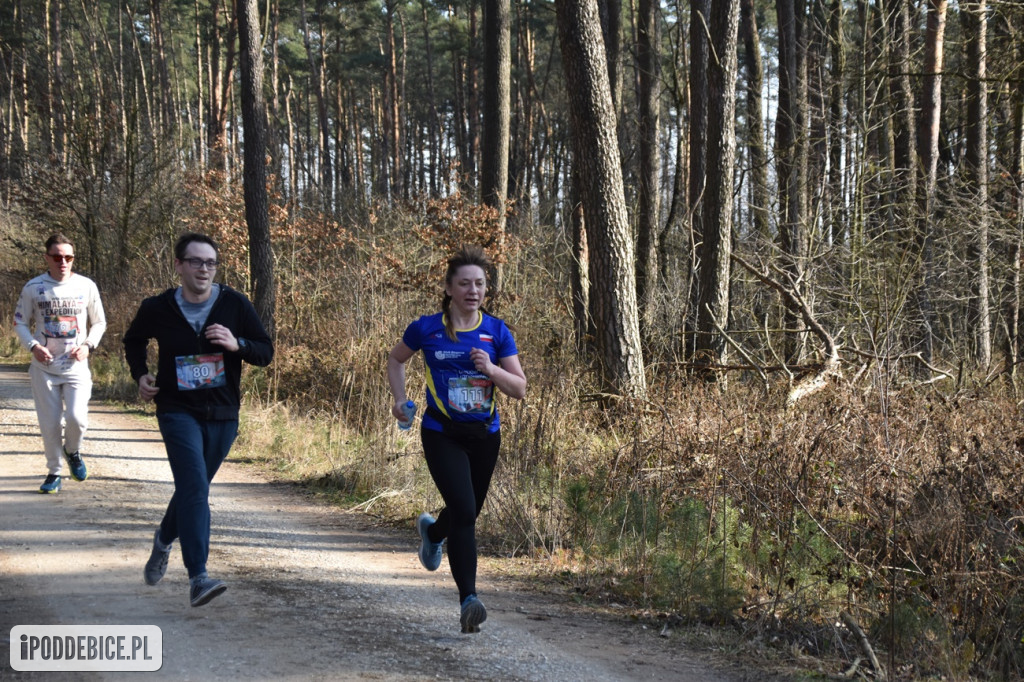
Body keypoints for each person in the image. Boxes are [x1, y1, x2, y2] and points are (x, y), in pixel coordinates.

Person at [123, 232, 273, 607]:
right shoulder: (157, 307)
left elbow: (265, 351)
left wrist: (237, 344)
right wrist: (140, 374)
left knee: (194, 487)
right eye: (196, 262)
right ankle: (198, 576)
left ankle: (163, 538)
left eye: (210, 263)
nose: (204, 269)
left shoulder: (234, 304)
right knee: (195, 487)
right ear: (178, 265)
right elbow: (133, 340)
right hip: (176, 410)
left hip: (224, 413)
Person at [387, 245, 526, 633]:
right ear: (449, 288)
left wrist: (492, 369)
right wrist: (400, 400)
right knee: (464, 510)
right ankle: (469, 600)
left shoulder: (497, 332)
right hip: (441, 433)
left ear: (486, 289)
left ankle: (433, 533)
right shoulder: (426, 328)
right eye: (464, 283)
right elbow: (395, 359)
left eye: (479, 283)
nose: (473, 290)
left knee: (467, 512)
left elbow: (520, 388)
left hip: (484, 436)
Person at [13, 233, 107, 494]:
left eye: (68, 257)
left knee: (77, 419)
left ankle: (72, 451)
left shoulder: (86, 286)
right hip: (45, 369)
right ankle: (54, 472)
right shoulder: (34, 287)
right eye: (57, 257)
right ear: (47, 258)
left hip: (76, 366)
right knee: (50, 423)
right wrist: (33, 346)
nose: (63, 262)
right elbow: (19, 321)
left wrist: (88, 345)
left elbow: (99, 322)